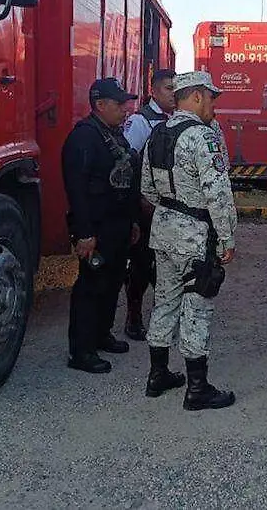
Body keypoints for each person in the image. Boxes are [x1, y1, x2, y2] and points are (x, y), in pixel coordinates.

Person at [141, 71, 237, 411]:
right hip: (195, 235)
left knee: (165, 299)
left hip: (163, 231)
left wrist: (171, 208)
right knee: (197, 306)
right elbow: (218, 192)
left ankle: (158, 374)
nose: (213, 105)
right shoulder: (202, 137)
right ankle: (197, 388)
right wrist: (226, 237)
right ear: (195, 97)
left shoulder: (157, 134)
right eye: (210, 98)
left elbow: (147, 189)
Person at [62, 77, 142, 373]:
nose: (126, 109)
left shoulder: (114, 134)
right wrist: (84, 233)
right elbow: (76, 190)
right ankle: (81, 351)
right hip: (96, 228)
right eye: (120, 104)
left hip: (119, 224)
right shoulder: (84, 137)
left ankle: (101, 334)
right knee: (91, 286)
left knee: (112, 282)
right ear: (100, 105)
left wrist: (132, 220)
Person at [121, 67, 176, 340]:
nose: (173, 94)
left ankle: (163, 317)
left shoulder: (177, 119)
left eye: (175, 89)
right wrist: (138, 202)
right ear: (153, 90)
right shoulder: (141, 121)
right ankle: (134, 318)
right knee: (141, 265)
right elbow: (128, 164)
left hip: (169, 208)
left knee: (166, 265)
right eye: (168, 88)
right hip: (146, 208)